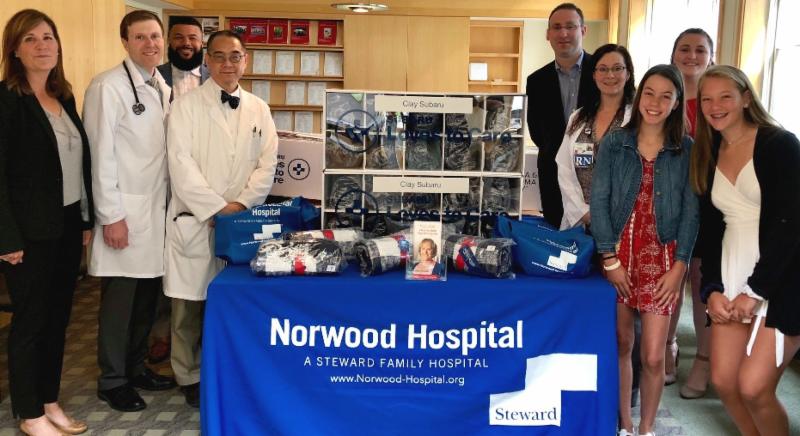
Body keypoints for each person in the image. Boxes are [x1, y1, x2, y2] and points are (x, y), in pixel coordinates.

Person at [165, 30, 279, 408]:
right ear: (207, 60)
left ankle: (230, 369)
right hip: (198, 218)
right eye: (219, 56)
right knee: (188, 307)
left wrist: (241, 206)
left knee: (235, 301)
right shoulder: (185, 107)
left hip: (240, 220)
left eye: (235, 56)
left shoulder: (259, 108)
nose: (227, 64)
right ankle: (189, 374)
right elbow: (180, 164)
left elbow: (267, 164)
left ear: (246, 60)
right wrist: (217, 208)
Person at [692, 65, 800, 436]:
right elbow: (710, 232)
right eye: (707, 99)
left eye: (725, 96)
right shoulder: (708, 151)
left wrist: (756, 291)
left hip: (781, 276)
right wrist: (712, 288)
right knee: (724, 382)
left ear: (745, 99)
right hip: (730, 269)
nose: (715, 106)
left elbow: (792, 225)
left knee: (754, 388)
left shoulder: (780, 144)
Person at [591, 64, 698, 436]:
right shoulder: (615, 143)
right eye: (649, 93)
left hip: (663, 259)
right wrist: (610, 259)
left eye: (666, 96)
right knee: (623, 344)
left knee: (653, 356)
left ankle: (646, 429)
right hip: (620, 256)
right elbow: (599, 202)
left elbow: (691, 212)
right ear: (639, 97)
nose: (655, 102)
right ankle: (624, 425)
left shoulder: (687, 149)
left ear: (676, 102)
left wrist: (680, 267)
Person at [0, 9, 93, 435]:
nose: (42, 46)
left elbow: (77, 166)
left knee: (58, 319)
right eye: (31, 39)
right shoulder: (6, 100)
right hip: (26, 233)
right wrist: (6, 237)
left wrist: (85, 220)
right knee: (30, 321)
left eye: (48, 37)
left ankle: (49, 400)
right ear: (15, 50)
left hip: (67, 224)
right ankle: (28, 412)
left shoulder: (64, 98)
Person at [82, 10, 176, 412]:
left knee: (146, 300)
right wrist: (111, 216)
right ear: (125, 42)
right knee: (119, 304)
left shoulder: (160, 85)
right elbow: (99, 156)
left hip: (156, 212)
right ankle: (113, 380)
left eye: (155, 36)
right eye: (140, 37)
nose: (150, 44)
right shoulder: (108, 86)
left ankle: (136, 368)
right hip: (124, 214)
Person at [147, 15, 210, 366]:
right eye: (179, 37)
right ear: (169, 41)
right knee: (162, 267)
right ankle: (160, 337)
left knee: (195, 271)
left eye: (193, 37)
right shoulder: (153, 78)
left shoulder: (217, 78)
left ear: (202, 42)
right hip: (162, 186)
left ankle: (196, 346)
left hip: (203, 188)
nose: (186, 43)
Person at [668, 28, 715, 395]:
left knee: (701, 279)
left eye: (700, 50)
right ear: (673, 55)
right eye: (684, 49)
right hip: (671, 200)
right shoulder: (663, 95)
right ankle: (668, 346)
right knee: (672, 275)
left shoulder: (718, 100)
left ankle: (704, 358)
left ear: (711, 58)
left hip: (711, 201)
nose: (692, 56)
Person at [526, 2, 598, 228]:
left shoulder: (602, 72)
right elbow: (537, 132)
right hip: (553, 174)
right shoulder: (536, 81)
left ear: (583, 30)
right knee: (556, 237)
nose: (563, 33)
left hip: (597, 176)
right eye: (556, 27)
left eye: (570, 26)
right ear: (548, 34)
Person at [556, 43, 635, 230]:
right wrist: (584, 213)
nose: (610, 75)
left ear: (628, 74)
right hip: (582, 222)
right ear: (594, 75)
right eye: (603, 69)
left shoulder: (638, 118)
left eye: (617, 68)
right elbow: (564, 168)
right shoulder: (579, 117)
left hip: (622, 222)